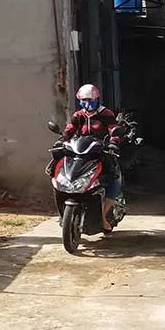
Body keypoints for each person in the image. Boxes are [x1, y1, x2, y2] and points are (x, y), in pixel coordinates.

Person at [62, 84, 122, 233]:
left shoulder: (106, 114)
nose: (87, 104)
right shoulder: (78, 115)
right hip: (82, 152)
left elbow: (113, 130)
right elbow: (70, 130)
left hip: (101, 152)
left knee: (114, 178)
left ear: (97, 100)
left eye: (90, 100)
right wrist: (62, 139)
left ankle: (104, 216)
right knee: (59, 169)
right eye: (83, 101)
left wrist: (113, 143)